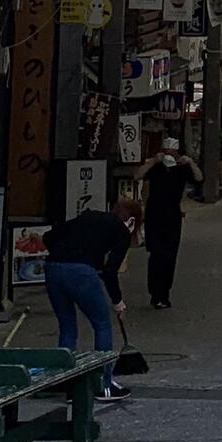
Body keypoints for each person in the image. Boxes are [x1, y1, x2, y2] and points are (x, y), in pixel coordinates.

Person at [40, 195, 139, 399]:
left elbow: (49, 237)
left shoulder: (88, 216)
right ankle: (103, 383)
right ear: (131, 221)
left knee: (67, 326)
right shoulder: (121, 232)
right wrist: (118, 302)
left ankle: (66, 380)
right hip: (81, 272)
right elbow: (111, 271)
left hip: (53, 268)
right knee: (102, 323)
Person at [139, 139, 201, 308]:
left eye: (172, 152)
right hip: (154, 214)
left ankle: (164, 293)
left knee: (170, 255)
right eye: (166, 151)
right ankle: (155, 293)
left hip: (173, 215)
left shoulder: (181, 168)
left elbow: (199, 178)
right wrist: (153, 161)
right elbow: (137, 175)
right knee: (156, 254)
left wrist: (190, 162)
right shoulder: (156, 166)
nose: (169, 155)